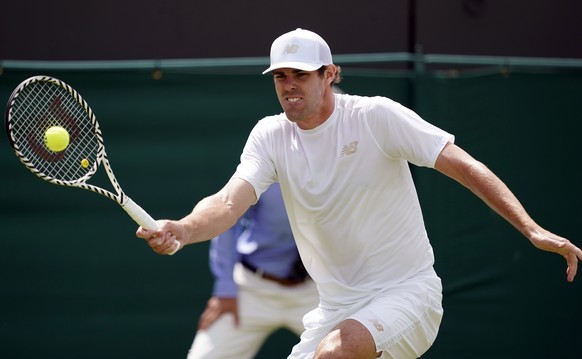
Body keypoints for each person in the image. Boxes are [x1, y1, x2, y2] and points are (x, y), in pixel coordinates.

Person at [137, 28, 582, 359]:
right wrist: (183, 228)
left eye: (301, 75)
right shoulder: (269, 135)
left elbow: (465, 166)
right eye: (280, 76)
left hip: (409, 294)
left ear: (330, 74)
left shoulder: (375, 117)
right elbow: (228, 202)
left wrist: (531, 229)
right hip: (333, 308)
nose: (289, 86)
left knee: (336, 354)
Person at [187, 183, 318, 359]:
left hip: (321, 291)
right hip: (251, 288)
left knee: (353, 350)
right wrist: (226, 288)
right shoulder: (268, 160)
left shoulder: (348, 167)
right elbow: (228, 218)